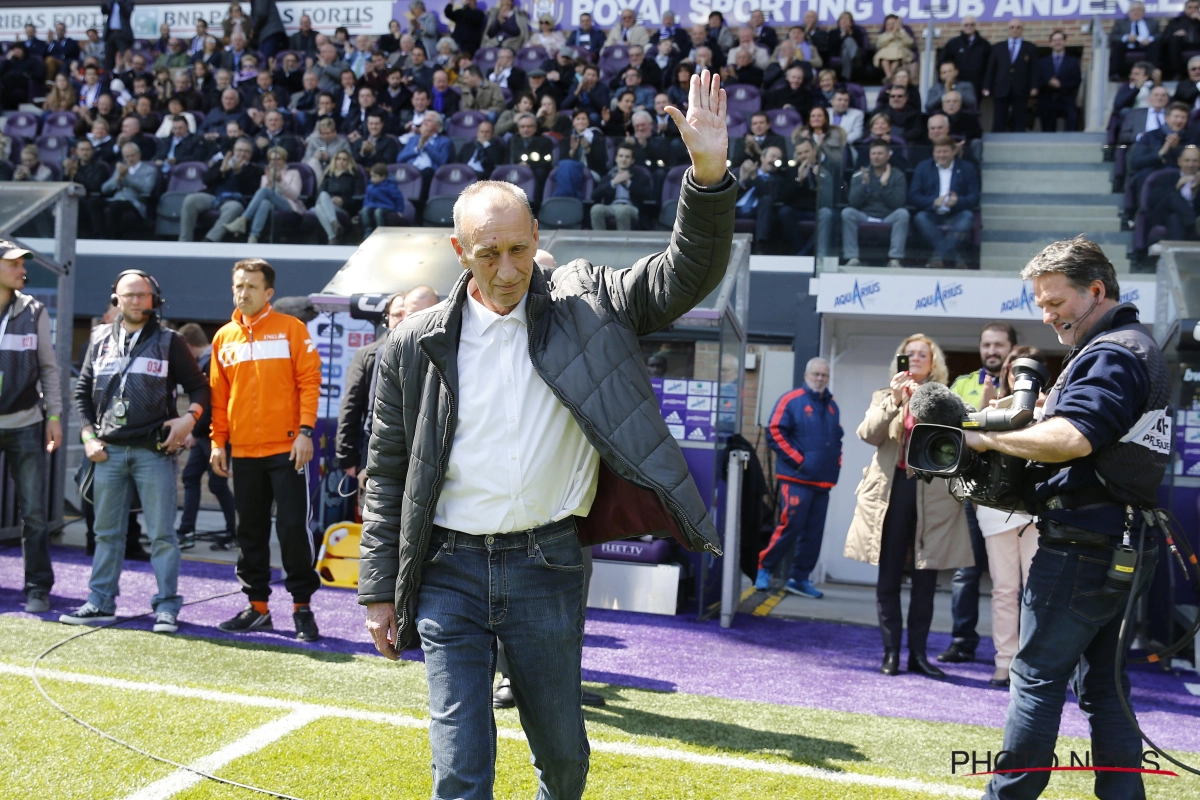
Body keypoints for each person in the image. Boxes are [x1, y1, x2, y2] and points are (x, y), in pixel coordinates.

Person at [360, 69, 733, 800]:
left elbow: (687, 273)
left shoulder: (588, 303)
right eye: (488, 253)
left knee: (562, 763)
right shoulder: (415, 344)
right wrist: (378, 589)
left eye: (519, 251)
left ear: (538, 239)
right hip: (446, 572)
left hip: (548, 565)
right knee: (461, 770)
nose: (506, 270)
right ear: (458, 250)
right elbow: (387, 472)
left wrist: (708, 172)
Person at [971, 236, 1168, 799]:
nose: (1046, 314)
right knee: (1106, 689)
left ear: (1096, 291)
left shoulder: (1112, 351)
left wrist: (988, 440)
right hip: (1126, 542)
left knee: (1034, 681)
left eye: (1055, 302)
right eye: (1040, 303)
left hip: (1084, 546)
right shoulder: (1135, 345)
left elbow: (1074, 437)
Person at [62, 271, 207, 633]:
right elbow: (81, 394)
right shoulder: (98, 338)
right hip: (107, 452)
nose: (137, 301)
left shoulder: (171, 341)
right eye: (129, 295)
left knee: (162, 535)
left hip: (154, 452)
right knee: (106, 533)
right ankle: (100, 603)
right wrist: (87, 436)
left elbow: (201, 390)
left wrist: (189, 420)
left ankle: (166, 607)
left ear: (155, 298)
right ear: (116, 299)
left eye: (143, 295)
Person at [845, 334, 972, 680]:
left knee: (925, 578)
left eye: (922, 354)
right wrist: (896, 400)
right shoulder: (884, 396)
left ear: (934, 363)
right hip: (892, 491)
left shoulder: (946, 398)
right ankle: (891, 653)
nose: (914, 359)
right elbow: (868, 434)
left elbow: (960, 438)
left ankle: (918, 654)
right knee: (887, 576)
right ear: (901, 360)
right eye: (908, 354)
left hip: (933, 492)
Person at [210, 259, 323, 641]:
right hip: (242, 451)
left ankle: (302, 608)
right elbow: (217, 397)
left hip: (289, 448)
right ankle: (257, 608)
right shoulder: (223, 337)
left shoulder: (292, 330)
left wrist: (305, 432)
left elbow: (310, 382)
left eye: (251, 287)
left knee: (292, 529)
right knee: (250, 533)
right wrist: (216, 442)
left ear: (268, 292)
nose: (243, 293)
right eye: (238, 286)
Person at [937, 321, 1017, 666]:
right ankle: (962, 642)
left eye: (999, 345)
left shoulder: (1025, 384)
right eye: (986, 345)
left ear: (1011, 348)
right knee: (965, 572)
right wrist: (980, 414)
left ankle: (1018, 652)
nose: (992, 351)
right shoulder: (962, 384)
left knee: (1015, 581)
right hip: (971, 494)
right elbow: (951, 436)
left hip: (1015, 499)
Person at [975, 345, 1047, 689]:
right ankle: (1004, 662)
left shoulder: (1054, 407)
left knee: (1038, 592)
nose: (1019, 377)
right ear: (1006, 373)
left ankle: (1034, 665)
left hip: (1035, 511)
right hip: (996, 511)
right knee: (1004, 590)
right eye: (1013, 370)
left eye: (1027, 371)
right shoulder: (992, 409)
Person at [0, 242, 63, 614]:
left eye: (23, 262)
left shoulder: (34, 309)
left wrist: (54, 415)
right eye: (13, 263)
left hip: (26, 421)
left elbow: (49, 368)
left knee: (35, 513)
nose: (22, 268)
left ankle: (38, 587)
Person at [336, 287, 439, 493]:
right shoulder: (375, 353)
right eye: (398, 314)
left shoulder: (443, 348)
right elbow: (361, 409)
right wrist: (352, 458)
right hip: (383, 460)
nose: (404, 320)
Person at [754, 358, 841, 598]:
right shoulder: (790, 400)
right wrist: (800, 461)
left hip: (822, 482)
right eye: (816, 374)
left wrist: (836, 463)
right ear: (806, 375)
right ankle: (764, 568)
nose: (820, 378)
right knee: (789, 527)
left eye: (824, 375)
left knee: (813, 534)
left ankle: (799, 579)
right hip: (796, 480)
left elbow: (838, 439)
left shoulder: (832, 406)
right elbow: (774, 431)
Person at [175, 323, 238, 549]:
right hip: (208, 433)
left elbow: (211, 404)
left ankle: (236, 533)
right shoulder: (209, 360)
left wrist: (194, 431)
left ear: (188, 346)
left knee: (217, 483)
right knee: (192, 476)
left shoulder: (211, 362)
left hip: (214, 434)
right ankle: (186, 530)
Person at [910, 137, 980, 269]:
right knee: (920, 218)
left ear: (954, 152)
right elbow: (914, 196)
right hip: (932, 213)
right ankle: (957, 258)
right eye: (938, 152)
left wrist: (958, 201)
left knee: (968, 217)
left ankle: (938, 257)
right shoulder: (923, 167)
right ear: (933, 152)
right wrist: (933, 202)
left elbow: (974, 197)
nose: (941, 155)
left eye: (945, 151)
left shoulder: (967, 168)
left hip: (956, 213)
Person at [179, 137, 263, 242]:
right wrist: (221, 171)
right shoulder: (222, 162)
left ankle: (209, 240)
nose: (242, 154)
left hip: (234, 200)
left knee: (234, 208)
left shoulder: (256, 170)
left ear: (251, 154)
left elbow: (252, 190)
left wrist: (239, 173)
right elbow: (206, 180)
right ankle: (184, 241)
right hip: (214, 197)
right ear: (233, 151)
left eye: (246, 151)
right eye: (239, 150)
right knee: (190, 200)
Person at [841, 140, 908, 268]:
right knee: (847, 213)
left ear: (888, 155)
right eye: (873, 154)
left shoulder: (898, 175)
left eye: (880, 154)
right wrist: (864, 185)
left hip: (888, 216)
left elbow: (898, 203)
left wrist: (884, 185)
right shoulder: (860, 174)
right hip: (865, 215)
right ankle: (852, 258)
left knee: (903, 214)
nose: (876, 157)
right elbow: (853, 202)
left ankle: (894, 259)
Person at [222, 146, 305, 244]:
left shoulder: (294, 173)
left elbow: (294, 196)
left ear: (284, 160)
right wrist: (269, 182)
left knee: (265, 191)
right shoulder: (265, 176)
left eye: (278, 159)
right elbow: (263, 197)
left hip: (289, 205)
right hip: (271, 205)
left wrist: (280, 181)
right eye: (272, 159)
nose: (274, 162)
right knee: (264, 203)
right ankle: (253, 237)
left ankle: (242, 220)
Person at [982, 20, 1037, 133]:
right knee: (999, 118)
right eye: (1012, 27)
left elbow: (1035, 69)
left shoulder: (1030, 47)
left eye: (1018, 27)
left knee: (1020, 118)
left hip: (1021, 89)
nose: (1015, 29)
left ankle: (1019, 143)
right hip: (1001, 88)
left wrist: (1034, 86)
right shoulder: (997, 47)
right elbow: (991, 69)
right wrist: (986, 86)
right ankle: (997, 142)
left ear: (1022, 29)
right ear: (1008, 29)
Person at [734, 144, 782, 253]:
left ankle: (761, 248)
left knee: (767, 200)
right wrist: (741, 181)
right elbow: (727, 192)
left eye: (779, 158)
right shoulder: (740, 171)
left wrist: (754, 177)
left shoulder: (778, 179)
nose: (775, 160)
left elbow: (769, 196)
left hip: (756, 211)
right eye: (773, 156)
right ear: (762, 158)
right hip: (734, 209)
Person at [591, 143, 650, 230]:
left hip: (631, 208)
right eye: (621, 156)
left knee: (622, 211)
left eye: (627, 157)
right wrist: (613, 182)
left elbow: (648, 194)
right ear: (616, 158)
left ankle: (623, 242)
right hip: (611, 206)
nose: (623, 159)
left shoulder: (640, 176)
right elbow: (594, 195)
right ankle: (600, 240)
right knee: (596, 209)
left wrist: (629, 184)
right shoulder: (608, 177)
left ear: (632, 160)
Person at [1147, 143, 1200, 240]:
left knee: (1174, 218)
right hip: (1161, 217)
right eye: (1187, 160)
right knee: (1172, 197)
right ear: (1179, 161)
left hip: (1178, 223)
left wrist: (1195, 192)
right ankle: (1193, 224)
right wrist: (1176, 188)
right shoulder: (1165, 177)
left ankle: (1178, 251)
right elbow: (1153, 201)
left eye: (1195, 161)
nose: (1190, 164)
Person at [102, 142, 158, 231]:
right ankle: (95, 236)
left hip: (134, 202)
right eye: (127, 156)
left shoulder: (150, 170)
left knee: (115, 206)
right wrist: (117, 179)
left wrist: (127, 175)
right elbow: (104, 189)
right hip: (116, 200)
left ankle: (109, 238)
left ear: (139, 154)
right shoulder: (120, 169)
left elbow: (147, 189)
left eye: (132, 155)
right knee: (93, 203)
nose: (130, 159)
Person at [312, 149, 363, 244]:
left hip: (344, 208)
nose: (341, 162)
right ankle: (334, 228)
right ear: (334, 160)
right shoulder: (328, 174)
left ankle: (332, 236)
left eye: (344, 159)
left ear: (349, 161)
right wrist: (329, 200)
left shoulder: (354, 175)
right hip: (327, 204)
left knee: (319, 207)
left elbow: (358, 198)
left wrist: (343, 201)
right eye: (338, 159)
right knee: (322, 198)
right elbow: (319, 194)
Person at [1036, 31, 1081, 133]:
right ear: (1050, 44)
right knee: (1047, 130)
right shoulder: (1042, 62)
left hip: (1066, 99)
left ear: (1064, 42)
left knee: (1073, 118)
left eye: (1060, 40)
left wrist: (1061, 85)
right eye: (1054, 40)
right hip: (1047, 99)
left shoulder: (1073, 61)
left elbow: (1076, 81)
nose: (1057, 42)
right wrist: (1048, 82)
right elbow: (1037, 81)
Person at [1110, 0, 1161, 80]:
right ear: (1129, 13)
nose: (1136, 13)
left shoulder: (1152, 22)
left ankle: (1152, 73)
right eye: (1133, 10)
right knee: (1117, 45)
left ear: (1143, 12)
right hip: (1128, 46)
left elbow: (1159, 35)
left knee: (1155, 45)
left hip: (1146, 45)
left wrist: (1150, 39)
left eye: (1138, 10)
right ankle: (1115, 74)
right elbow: (1113, 36)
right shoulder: (1121, 23)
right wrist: (1126, 37)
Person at [939, 16, 989, 93]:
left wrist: (986, 86)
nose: (969, 27)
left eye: (972, 24)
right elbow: (942, 63)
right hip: (955, 84)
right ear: (962, 26)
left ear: (975, 26)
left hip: (977, 86)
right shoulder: (953, 44)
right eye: (966, 25)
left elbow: (989, 67)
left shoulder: (984, 45)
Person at [362, 162, 407, 235]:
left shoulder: (390, 186)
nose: (372, 179)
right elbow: (367, 199)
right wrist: (364, 206)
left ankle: (381, 231)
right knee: (364, 211)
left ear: (383, 176)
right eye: (371, 176)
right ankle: (368, 230)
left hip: (386, 206)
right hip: (372, 205)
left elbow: (398, 198)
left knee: (378, 212)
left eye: (375, 176)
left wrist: (399, 210)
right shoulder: (370, 187)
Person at [1166, 0, 1200, 79]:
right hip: (1183, 46)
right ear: (1185, 9)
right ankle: (1177, 74)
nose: (1193, 10)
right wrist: (1175, 34)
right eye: (1190, 7)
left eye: (1196, 7)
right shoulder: (1176, 21)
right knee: (1174, 41)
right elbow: (1166, 37)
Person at [873, 14, 913, 79]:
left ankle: (889, 78)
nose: (891, 26)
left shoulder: (902, 33)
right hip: (886, 55)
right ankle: (890, 77)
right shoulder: (883, 35)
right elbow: (880, 44)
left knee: (897, 57)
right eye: (888, 24)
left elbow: (909, 43)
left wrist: (900, 30)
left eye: (893, 24)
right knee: (883, 59)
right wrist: (892, 33)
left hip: (900, 55)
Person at [101, 0, 135, 72]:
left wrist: (120, 2)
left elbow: (127, 12)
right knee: (109, 57)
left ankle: (125, 74)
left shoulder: (128, 2)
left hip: (122, 34)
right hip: (110, 33)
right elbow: (104, 12)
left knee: (123, 56)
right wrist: (103, 3)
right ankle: (109, 74)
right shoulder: (111, 2)